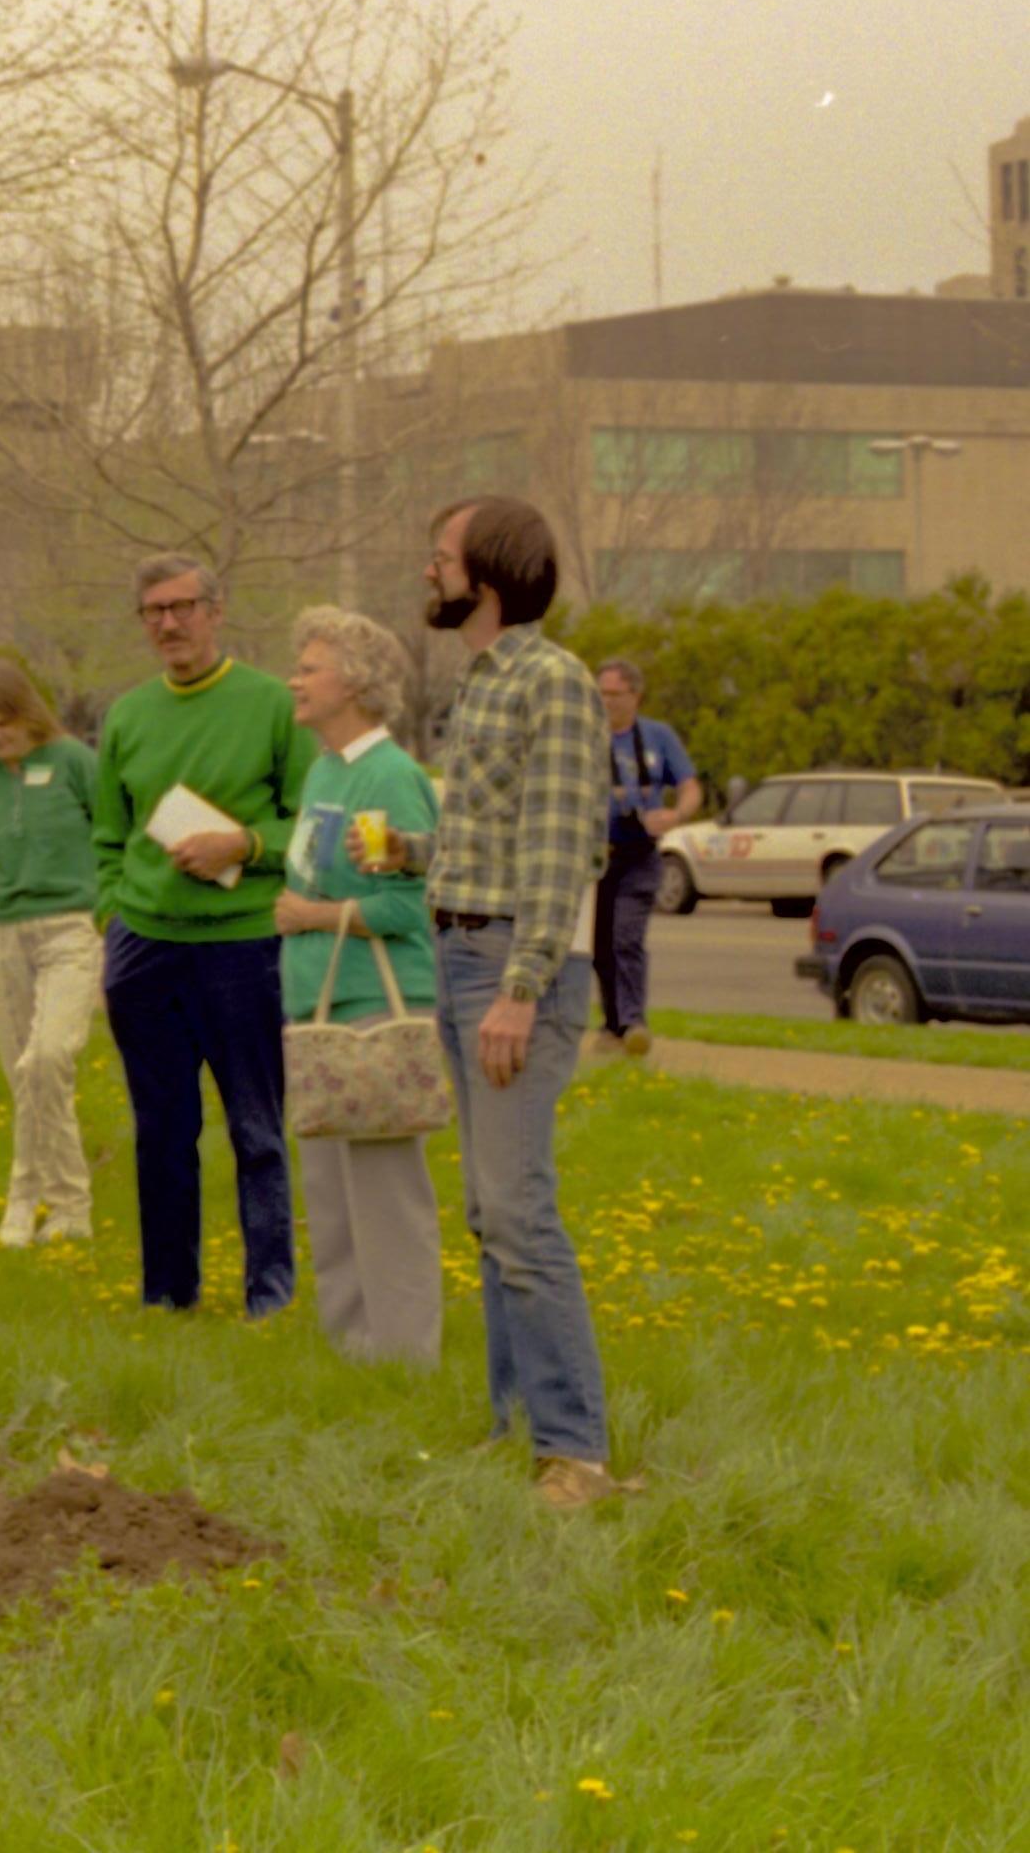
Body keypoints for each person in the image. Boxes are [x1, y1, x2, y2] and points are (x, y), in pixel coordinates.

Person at [424, 497, 619, 1511]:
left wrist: (518, 988)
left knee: (518, 1208)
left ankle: (577, 1453)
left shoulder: (553, 681)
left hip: (511, 969)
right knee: (487, 1212)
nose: (431, 570)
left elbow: (558, 853)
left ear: (486, 574)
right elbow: (497, 835)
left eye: (442, 555)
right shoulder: (484, 683)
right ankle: (513, 1433)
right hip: (462, 954)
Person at [88, 555, 315, 1319]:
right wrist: (112, 915)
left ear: (216, 611)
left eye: (183, 606)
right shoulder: (126, 716)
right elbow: (107, 835)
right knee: (162, 1134)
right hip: (146, 948)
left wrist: (243, 846)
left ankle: (269, 1299)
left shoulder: (271, 706)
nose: (169, 623)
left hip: (242, 945)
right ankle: (167, 1297)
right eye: (153, 610)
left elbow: (312, 825)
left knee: (257, 1129)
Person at [273, 606, 445, 1366]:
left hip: (373, 1006)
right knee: (334, 1204)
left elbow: (406, 904)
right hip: (314, 1008)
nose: (295, 681)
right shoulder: (324, 770)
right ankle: (351, 1356)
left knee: (385, 1202)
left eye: (309, 667)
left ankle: (405, 1360)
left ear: (357, 680)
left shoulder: (389, 775)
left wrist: (313, 914)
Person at [0, 663, 98, 1249]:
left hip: (71, 928)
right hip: (4, 932)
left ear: (27, 711)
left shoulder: (76, 763)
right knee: (28, 1079)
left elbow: (114, 834)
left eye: (3, 722)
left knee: (47, 1059)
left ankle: (22, 1198)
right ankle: (69, 1210)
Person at [592, 657, 700, 1057]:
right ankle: (612, 1025)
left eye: (614, 694)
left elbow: (689, 786)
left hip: (640, 855)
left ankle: (635, 1022)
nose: (606, 702)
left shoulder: (657, 736)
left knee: (627, 935)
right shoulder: (586, 737)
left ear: (635, 696)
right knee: (600, 944)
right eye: (600, 693)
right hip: (596, 856)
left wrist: (675, 814)